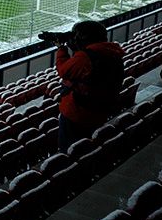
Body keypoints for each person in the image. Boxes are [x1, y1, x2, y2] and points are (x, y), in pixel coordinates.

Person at [53, 20, 125, 152]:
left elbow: (63, 71)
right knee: (87, 146)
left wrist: (61, 49)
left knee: (71, 150)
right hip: (100, 109)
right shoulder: (112, 51)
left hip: (78, 114)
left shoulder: (86, 57)